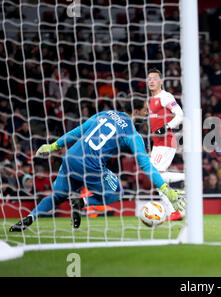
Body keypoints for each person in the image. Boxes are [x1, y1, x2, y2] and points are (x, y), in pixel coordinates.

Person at [9, 97, 184, 232]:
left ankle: (29, 219)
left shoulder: (104, 114)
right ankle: (82, 202)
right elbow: (145, 164)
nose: (148, 114)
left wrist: (54, 146)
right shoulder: (132, 133)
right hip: (91, 166)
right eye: (145, 110)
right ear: (135, 111)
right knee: (117, 192)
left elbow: (79, 131)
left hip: (70, 158)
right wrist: (164, 188)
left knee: (58, 196)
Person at [147, 68, 185, 221]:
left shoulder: (165, 96)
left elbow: (180, 114)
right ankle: (174, 212)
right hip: (158, 143)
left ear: (161, 81)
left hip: (167, 141)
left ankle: (189, 177)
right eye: (149, 78)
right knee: (157, 178)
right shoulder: (150, 100)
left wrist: (167, 127)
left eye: (155, 78)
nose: (151, 81)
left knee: (155, 175)